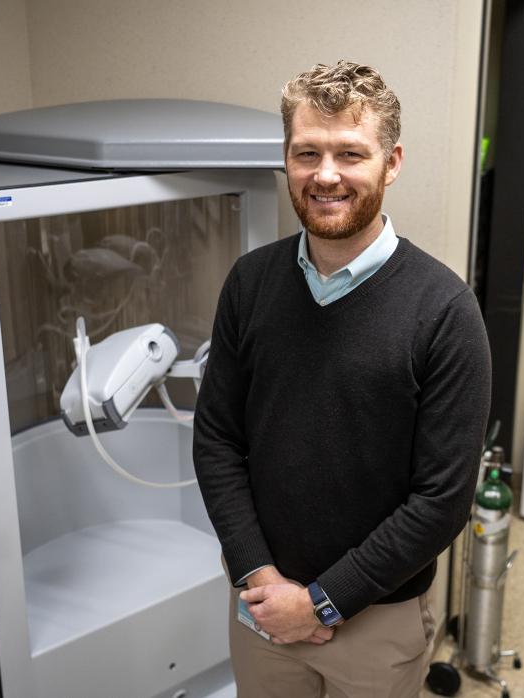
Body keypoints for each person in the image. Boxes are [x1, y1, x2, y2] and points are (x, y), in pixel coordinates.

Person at [193, 60, 491, 698]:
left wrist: (325, 603)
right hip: (263, 606)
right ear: (287, 158)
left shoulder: (444, 311)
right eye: (308, 152)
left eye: (350, 153)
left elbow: (442, 501)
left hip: (376, 621)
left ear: (392, 161)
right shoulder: (249, 284)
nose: (326, 174)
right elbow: (217, 439)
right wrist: (258, 574)